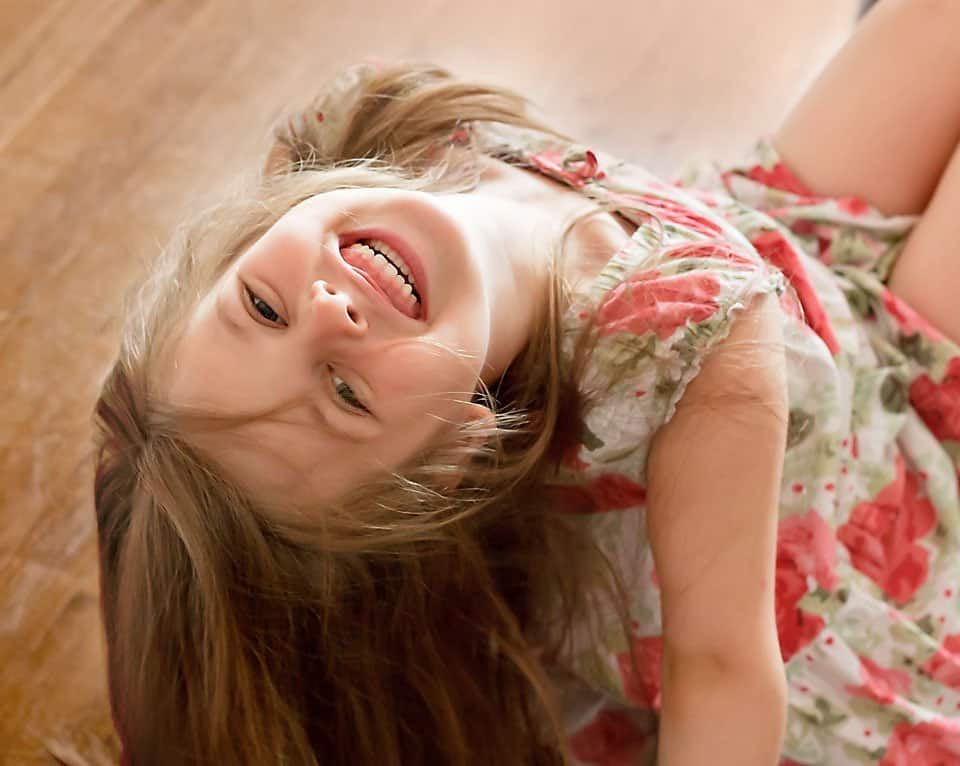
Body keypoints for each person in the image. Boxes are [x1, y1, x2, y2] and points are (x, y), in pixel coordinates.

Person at [90, 0, 960, 763]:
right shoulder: (687, 345)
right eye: (346, 395)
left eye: (262, 306)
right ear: (454, 451)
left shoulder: (361, 126)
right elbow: (721, 671)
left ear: (243, 233)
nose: (328, 316)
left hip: (788, 256)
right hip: (890, 463)